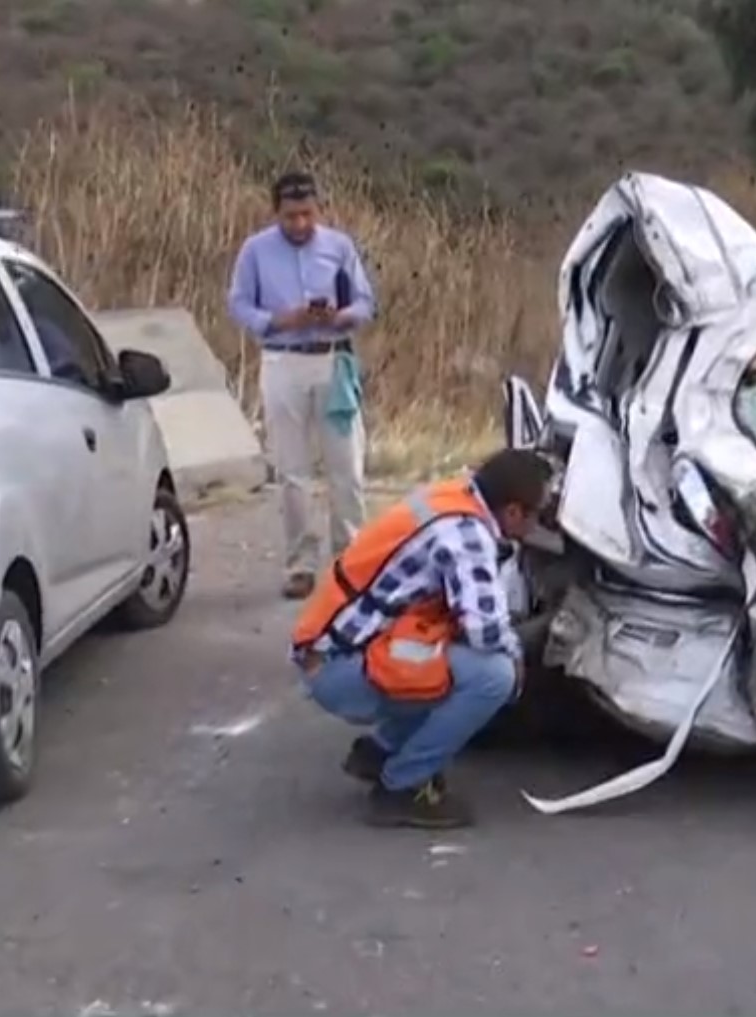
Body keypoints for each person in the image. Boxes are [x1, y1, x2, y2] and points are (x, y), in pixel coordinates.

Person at [288, 448, 555, 829]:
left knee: (454, 655)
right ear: (513, 512)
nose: (541, 524)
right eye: (539, 514)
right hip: (338, 668)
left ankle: (382, 751)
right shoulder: (468, 536)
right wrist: (517, 654)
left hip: (328, 647)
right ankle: (403, 785)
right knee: (494, 677)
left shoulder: (456, 496)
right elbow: (484, 632)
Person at [226, 170, 379, 600]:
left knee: (345, 467)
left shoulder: (339, 247)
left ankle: (352, 561)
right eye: (291, 216)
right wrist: (278, 320)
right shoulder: (255, 251)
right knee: (292, 472)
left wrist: (340, 316)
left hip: (332, 360)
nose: (300, 224)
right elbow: (238, 303)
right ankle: (300, 564)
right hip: (282, 360)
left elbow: (366, 302)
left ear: (318, 210)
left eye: (307, 214)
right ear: (276, 213)